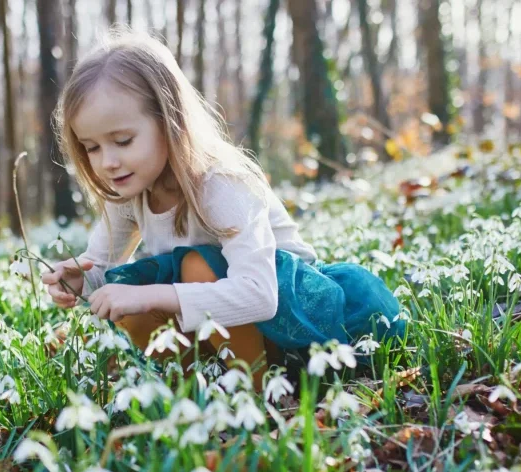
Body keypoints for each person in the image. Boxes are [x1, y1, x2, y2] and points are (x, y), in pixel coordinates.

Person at [41, 27, 403, 389]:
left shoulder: (220, 183)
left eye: (122, 141)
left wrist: (147, 295)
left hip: (297, 320)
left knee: (192, 267)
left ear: (171, 121)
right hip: (226, 326)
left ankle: (254, 391)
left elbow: (260, 296)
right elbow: (104, 270)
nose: (108, 162)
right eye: (92, 148)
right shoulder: (129, 191)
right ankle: (202, 393)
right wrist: (81, 280)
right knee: (129, 299)